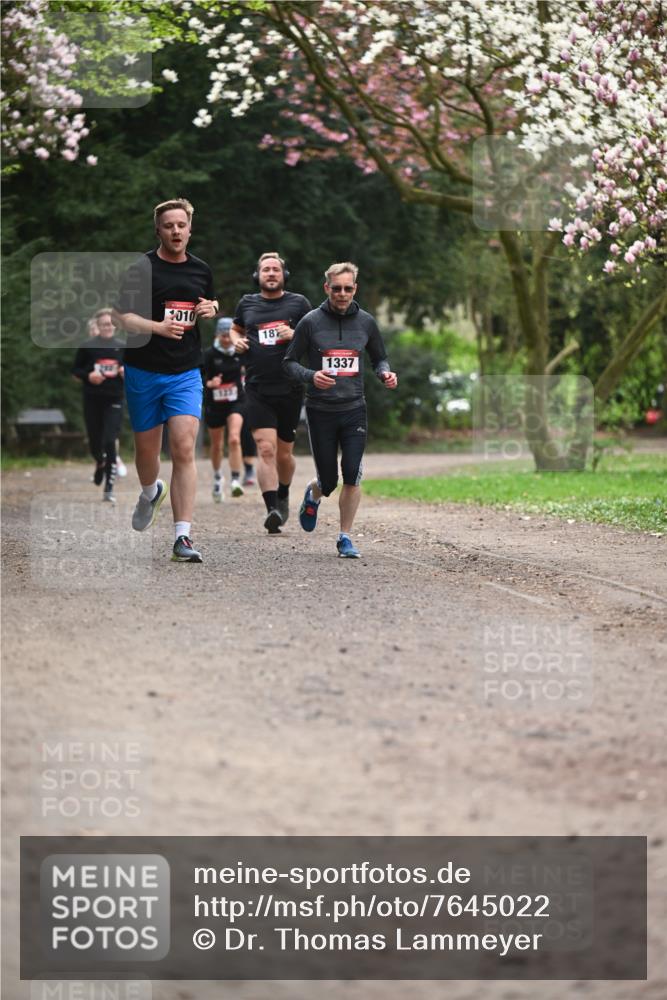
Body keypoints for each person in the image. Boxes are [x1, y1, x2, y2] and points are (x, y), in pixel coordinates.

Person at [113, 197, 218, 563]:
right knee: (147, 453)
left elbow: (207, 302)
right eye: (169, 225)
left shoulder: (201, 270)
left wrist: (210, 308)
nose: (176, 231)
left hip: (186, 371)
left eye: (181, 225)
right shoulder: (141, 268)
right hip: (143, 369)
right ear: (158, 230)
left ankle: (183, 537)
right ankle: (148, 492)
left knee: (184, 448)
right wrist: (157, 326)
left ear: (190, 229)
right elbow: (120, 316)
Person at [283, 261, 398, 558]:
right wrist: (312, 376)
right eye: (337, 289)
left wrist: (385, 373)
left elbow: (379, 358)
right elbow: (289, 363)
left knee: (352, 473)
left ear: (355, 289)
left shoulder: (367, 323)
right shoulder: (310, 322)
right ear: (327, 288)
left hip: (354, 409)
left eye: (348, 289)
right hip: (321, 410)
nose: (342, 294)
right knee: (329, 481)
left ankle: (345, 537)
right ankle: (314, 494)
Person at [230, 253, 311, 533]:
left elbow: (315, 335)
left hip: (289, 387)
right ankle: (272, 509)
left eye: (276, 269)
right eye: (266, 269)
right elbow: (235, 328)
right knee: (266, 449)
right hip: (257, 387)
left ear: (284, 275)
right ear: (258, 275)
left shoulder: (299, 303)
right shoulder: (247, 302)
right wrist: (236, 342)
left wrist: (295, 335)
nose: (271, 273)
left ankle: (284, 493)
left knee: (284, 455)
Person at [72, 309, 125, 503]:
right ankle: (100, 461)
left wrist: (125, 372)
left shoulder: (123, 347)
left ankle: (109, 487)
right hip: (92, 399)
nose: (107, 327)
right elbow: (75, 371)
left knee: (110, 440)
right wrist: (88, 376)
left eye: (111, 324)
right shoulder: (87, 347)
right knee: (95, 443)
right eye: (104, 324)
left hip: (115, 399)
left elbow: (135, 371)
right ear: (98, 326)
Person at [203, 317, 247, 501]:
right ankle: (217, 476)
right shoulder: (209, 354)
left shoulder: (242, 351)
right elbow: (199, 379)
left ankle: (236, 480)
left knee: (235, 439)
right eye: (223, 336)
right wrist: (210, 383)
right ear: (217, 335)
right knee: (217, 445)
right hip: (214, 403)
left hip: (236, 400)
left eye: (229, 335)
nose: (227, 340)